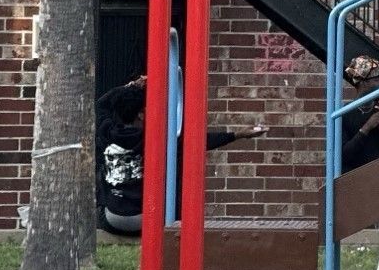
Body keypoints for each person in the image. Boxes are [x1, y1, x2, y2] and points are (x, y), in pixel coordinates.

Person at [95, 79, 265, 235]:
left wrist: (130, 86)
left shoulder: (106, 132)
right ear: (141, 114)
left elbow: (102, 104)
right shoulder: (156, 139)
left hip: (113, 218)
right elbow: (200, 142)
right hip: (146, 219)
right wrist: (238, 134)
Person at [339, 57, 379, 171]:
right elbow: (344, 156)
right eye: (376, 79)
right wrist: (367, 127)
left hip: (377, 177)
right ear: (364, 82)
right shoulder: (345, 113)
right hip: (352, 178)